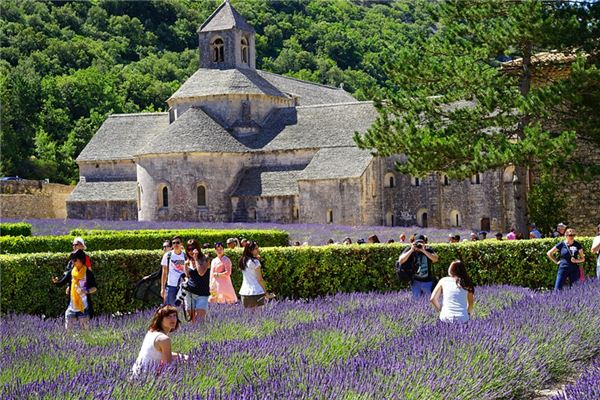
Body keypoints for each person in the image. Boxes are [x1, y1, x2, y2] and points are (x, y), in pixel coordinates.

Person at [131, 305, 185, 377]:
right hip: (147, 377)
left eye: (174, 315)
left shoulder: (151, 332)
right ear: (160, 320)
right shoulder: (164, 339)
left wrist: (183, 357)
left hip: (136, 374)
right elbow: (167, 367)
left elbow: (157, 353)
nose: (173, 319)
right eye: (168, 316)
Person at [52, 249, 97, 331]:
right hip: (71, 307)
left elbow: (94, 288)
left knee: (85, 334)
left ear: (81, 260)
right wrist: (56, 282)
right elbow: (61, 283)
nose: (73, 262)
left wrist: (86, 291)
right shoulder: (71, 273)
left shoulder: (88, 273)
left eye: (75, 260)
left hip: (83, 308)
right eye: (72, 260)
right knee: (68, 332)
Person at [397, 234, 439, 298]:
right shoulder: (410, 249)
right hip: (415, 281)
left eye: (421, 242)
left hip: (427, 281)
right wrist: (411, 250)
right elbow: (401, 260)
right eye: (417, 243)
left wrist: (423, 250)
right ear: (414, 243)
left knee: (429, 301)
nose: (419, 244)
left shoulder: (428, 249)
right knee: (416, 300)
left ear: (424, 243)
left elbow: (435, 259)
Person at [183, 239, 210, 323]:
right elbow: (187, 276)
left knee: (200, 320)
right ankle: (193, 335)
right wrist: (185, 281)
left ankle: (202, 335)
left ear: (198, 249)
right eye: (189, 249)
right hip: (189, 293)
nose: (191, 251)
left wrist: (195, 259)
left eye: (193, 249)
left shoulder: (205, 258)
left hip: (202, 293)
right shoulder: (187, 262)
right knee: (192, 320)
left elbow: (201, 272)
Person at [238, 241, 268, 308]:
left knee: (248, 316)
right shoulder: (255, 262)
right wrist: (266, 292)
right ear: (250, 250)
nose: (258, 250)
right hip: (257, 292)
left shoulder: (242, 260)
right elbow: (259, 279)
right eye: (256, 249)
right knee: (259, 316)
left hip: (244, 292)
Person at [161, 236, 186, 305]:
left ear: (181, 244)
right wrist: (162, 288)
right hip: (171, 286)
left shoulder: (185, 256)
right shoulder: (167, 255)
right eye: (173, 243)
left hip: (182, 287)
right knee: (170, 308)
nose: (175, 245)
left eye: (177, 242)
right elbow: (164, 273)